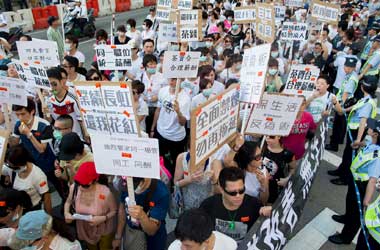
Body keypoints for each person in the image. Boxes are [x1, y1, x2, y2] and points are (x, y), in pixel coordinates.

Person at [328, 118, 380, 246]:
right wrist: (358, 144)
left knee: (356, 213)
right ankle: (346, 217)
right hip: (354, 179)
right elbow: (365, 143)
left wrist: (366, 201)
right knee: (350, 203)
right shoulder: (371, 141)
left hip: (362, 185)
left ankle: (346, 237)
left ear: (376, 134)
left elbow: (373, 180)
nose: (368, 127)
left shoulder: (378, 157)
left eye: (371, 127)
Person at [10, 98, 66, 200]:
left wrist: (29, 134)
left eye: (23, 114)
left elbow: (41, 149)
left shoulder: (43, 125)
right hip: (33, 164)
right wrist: (12, 135)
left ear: (32, 111)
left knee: (59, 187)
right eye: (17, 114)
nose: (20, 117)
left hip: (49, 163)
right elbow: (14, 144)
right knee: (41, 189)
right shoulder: (18, 124)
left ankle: (66, 202)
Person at [200, 167, 271, 243]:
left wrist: (271, 212)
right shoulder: (208, 205)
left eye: (241, 191)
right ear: (221, 189)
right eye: (232, 193)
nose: (238, 196)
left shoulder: (254, 205)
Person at [329, 76, 378, 186]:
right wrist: (343, 110)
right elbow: (357, 106)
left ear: (362, 87)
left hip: (357, 132)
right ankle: (341, 170)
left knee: (349, 155)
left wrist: (358, 140)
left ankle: (345, 178)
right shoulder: (369, 98)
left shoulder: (368, 102)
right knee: (347, 153)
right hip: (356, 131)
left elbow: (363, 121)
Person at [64, 162, 117, 250]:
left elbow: (114, 211)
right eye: (79, 183)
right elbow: (68, 202)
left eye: (85, 185)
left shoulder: (105, 192)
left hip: (104, 229)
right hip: (85, 229)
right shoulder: (74, 188)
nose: (81, 187)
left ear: (95, 180)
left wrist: (103, 218)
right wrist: (66, 213)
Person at [113, 177, 170, 250]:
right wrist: (118, 236)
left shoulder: (161, 191)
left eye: (134, 186)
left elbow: (152, 231)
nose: (130, 189)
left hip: (154, 240)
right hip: (133, 234)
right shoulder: (127, 184)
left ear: (145, 179)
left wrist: (142, 216)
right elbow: (122, 210)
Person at [151, 78, 191, 175]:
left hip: (176, 137)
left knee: (176, 163)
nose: (171, 82)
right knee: (160, 159)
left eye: (174, 79)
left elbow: (182, 123)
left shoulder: (185, 99)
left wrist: (178, 111)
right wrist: (153, 128)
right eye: (170, 79)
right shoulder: (163, 91)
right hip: (160, 132)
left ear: (181, 80)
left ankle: (174, 182)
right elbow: (158, 110)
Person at [3, 144, 52, 214]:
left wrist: (49, 218)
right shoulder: (10, 166)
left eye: (13, 167)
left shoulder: (38, 176)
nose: (9, 168)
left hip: (33, 209)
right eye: (8, 165)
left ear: (21, 163)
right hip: (17, 208)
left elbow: (47, 199)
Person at [46, 67, 87, 142]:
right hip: (59, 139)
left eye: (54, 84)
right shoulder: (48, 100)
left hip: (75, 139)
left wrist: (85, 136)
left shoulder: (73, 99)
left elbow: (81, 121)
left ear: (61, 82)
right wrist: (46, 113)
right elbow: (49, 120)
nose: (52, 88)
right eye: (49, 85)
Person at [326, 57, 359, 152]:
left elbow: (345, 94)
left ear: (354, 68)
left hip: (343, 103)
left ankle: (334, 145)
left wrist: (339, 106)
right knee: (341, 124)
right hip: (344, 102)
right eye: (346, 66)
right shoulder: (350, 75)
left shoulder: (352, 78)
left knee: (337, 125)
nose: (347, 69)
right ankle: (338, 140)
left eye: (350, 67)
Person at [8, 210, 82, 249]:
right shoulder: (38, 241)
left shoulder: (70, 247)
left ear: (44, 236)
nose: (28, 246)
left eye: (30, 244)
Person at [168, 208, 237, 250]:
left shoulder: (229, 246)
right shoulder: (174, 248)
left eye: (188, 246)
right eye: (181, 242)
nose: (182, 248)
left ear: (206, 242)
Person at [140, 54, 166, 134]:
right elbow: (137, 90)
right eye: (150, 64)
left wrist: (158, 96)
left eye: (154, 63)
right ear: (145, 66)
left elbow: (165, 90)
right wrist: (143, 97)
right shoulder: (140, 76)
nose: (153, 66)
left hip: (157, 108)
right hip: (144, 107)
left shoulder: (161, 77)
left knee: (155, 130)